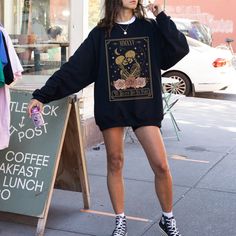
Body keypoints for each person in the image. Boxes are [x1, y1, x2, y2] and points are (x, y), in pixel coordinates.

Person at [27, 0, 189, 235]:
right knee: (115, 162)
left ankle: (168, 218)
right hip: (112, 108)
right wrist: (42, 96)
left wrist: (162, 16)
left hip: (144, 108)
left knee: (161, 165)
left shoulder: (150, 28)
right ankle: (120, 219)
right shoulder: (101, 34)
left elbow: (178, 48)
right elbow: (74, 69)